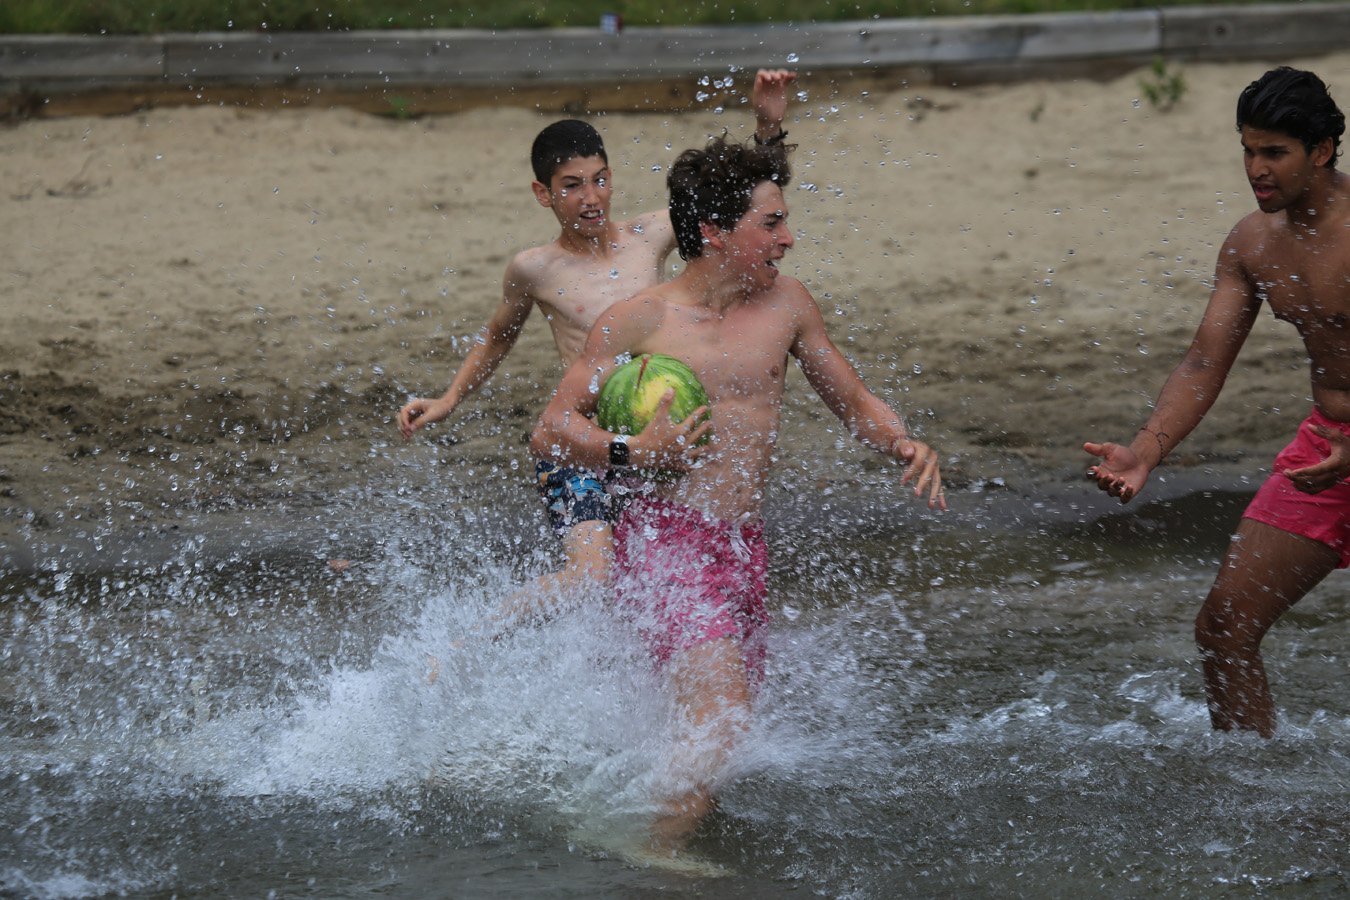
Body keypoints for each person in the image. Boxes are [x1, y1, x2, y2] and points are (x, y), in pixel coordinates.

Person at [531, 135, 945, 851]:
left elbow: (854, 402)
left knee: (717, 727)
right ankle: (651, 856)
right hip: (664, 542)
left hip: (741, 547)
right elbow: (552, 430)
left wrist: (902, 441)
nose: (788, 239)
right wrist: (634, 450)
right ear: (716, 232)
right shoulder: (639, 321)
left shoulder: (788, 304)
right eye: (771, 224)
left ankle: (605, 826)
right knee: (721, 718)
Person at [397, 71, 796, 617]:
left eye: (600, 179)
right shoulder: (535, 269)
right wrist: (448, 399)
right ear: (543, 193)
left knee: (644, 581)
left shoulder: (650, 235)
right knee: (593, 576)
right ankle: (470, 642)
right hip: (582, 444)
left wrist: (768, 128)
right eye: (572, 186)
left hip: (650, 431)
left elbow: (737, 209)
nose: (591, 198)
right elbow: (497, 337)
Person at [1084, 66, 1348, 738]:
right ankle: (1254, 786)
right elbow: (1205, 361)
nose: (1256, 169)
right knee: (1225, 627)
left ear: (1321, 150)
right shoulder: (1254, 242)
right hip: (1328, 448)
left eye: (1274, 152)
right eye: (1248, 151)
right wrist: (1146, 451)